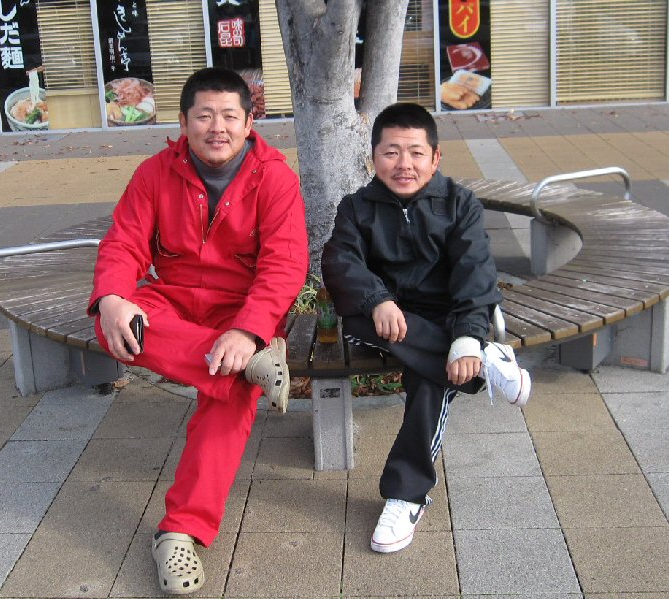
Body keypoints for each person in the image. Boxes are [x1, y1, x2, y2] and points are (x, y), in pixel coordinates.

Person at [87, 67, 308, 594]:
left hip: (242, 309)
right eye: (204, 116)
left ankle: (179, 533)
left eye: (229, 116)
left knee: (229, 395)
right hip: (175, 300)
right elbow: (123, 244)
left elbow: (284, 265)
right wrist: (113, 296)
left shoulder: (275, 178)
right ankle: (251, 366)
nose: (217, 127)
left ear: (249, 123)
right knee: (113, 323)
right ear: (183, 123)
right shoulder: (154, 173)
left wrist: (249, 332)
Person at [321, 102, 531, 554]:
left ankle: (406, 496)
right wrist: (378, 299)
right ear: (373, 158)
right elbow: (339, 261)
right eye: (391, 152)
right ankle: (485, 363)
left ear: (435, 158)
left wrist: (466, 335)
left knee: (431, 379)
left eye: (416, 153)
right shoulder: (356, 207)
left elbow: (476, 271)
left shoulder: (459, 203)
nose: (404, 164)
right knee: (361, 318)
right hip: (379, 320)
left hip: (443, 320)